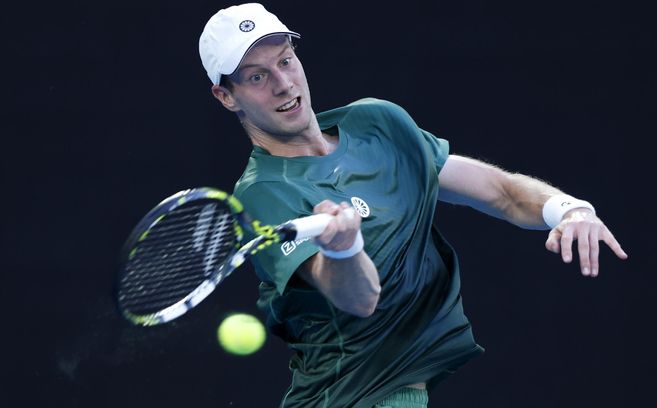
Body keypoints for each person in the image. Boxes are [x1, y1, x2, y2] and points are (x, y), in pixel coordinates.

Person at [199, 3, 628, 407]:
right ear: (226, 96)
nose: (283, 84)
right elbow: (360, 299)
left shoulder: (377, 124)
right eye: (257, 77)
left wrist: (568, 209)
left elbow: (502, 192)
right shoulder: (263, 194)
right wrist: (344, 249)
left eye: (286, 61)